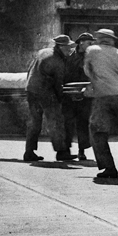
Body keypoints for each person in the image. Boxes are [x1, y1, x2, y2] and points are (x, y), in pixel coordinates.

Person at [84, 29, 118, 180]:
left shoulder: (92, 50)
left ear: (99, 39)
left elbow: (87, 70)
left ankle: (109, 168)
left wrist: (92, 85)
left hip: (103, 95)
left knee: (97, 131)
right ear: (112, 40)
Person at [24, 34, 76, 162]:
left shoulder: (43, 52)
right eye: (68, 47)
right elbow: (58, 83)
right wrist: (60, 98)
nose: (69, 50)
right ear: (61, 46)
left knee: (34, 121)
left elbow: (30, 68)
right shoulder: (57, 61)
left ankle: (29, 152)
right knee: (55, 120)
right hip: (45, 91)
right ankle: (61, 151)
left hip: (31, 89)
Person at [62, 32, 94, 161]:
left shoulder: (91, 56)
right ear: (81, 43)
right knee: (67, 123)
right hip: (69, 94)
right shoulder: (69, 56)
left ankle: (81, 151)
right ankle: (66, 151)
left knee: (83, 123)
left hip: (85, 94)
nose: (91, 45)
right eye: (89, 43)